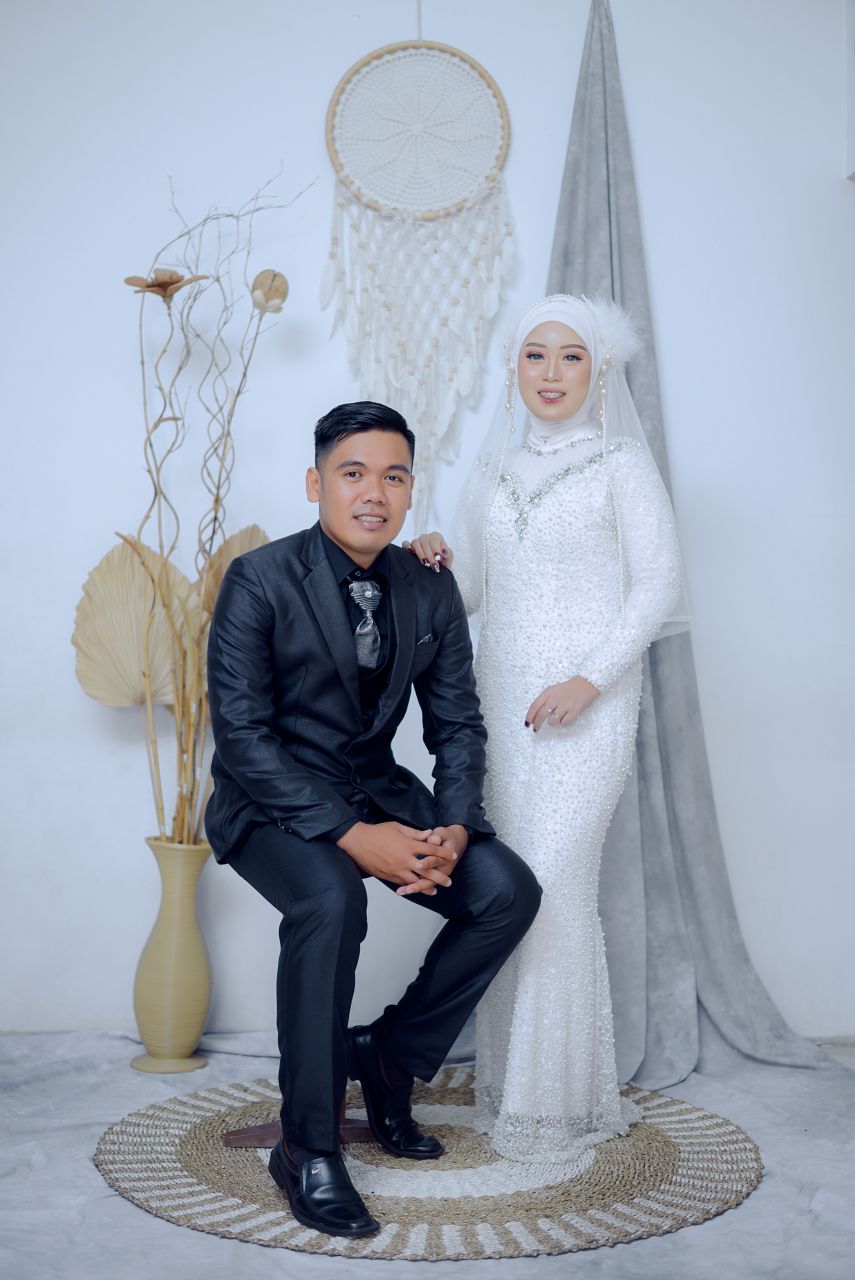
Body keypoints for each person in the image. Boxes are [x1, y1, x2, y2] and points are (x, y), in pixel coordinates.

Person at [204, 401, 542, 1236]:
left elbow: (456, 724)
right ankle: (306, 1148)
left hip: (379, 792)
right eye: (352, 473)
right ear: (315, 483)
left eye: (393, 476)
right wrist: (353, 838)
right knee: (331, 899)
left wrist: (455, 823)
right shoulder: (259, 578)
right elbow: (242, 739)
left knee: (504, 890)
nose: (373, 493)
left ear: (410, 489)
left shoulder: (428, 583)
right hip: (268, 802)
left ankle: (388, 1057)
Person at [404, 294, 687, 1164]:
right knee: (510, 893)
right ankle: (509, 1091)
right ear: (513, 369)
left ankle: (553, 1109)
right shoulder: (492, 470)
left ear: (598, 371)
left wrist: (588, 680)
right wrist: (432, 563)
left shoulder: (619, 464)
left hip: (584, 711)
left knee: (557, 889)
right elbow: (472, 593)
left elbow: (658, 585)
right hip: (499, 710)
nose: (552, 373)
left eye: (571, 356)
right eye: (535, 355)